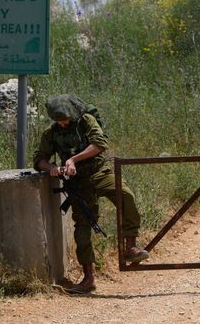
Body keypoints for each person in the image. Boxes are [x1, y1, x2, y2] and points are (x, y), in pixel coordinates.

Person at [33, 94, 149, 293]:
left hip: (99, 172)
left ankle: (130, 246)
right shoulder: (51, 133)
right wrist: (51, 168)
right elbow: (38, 158)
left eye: (65, 119)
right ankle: (88, 277)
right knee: (82, 227)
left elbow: (99, 143)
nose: (62, 123)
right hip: (79, 183)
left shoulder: (86, 121)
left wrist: (73, 160)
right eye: (58, 120)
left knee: (125, 195)